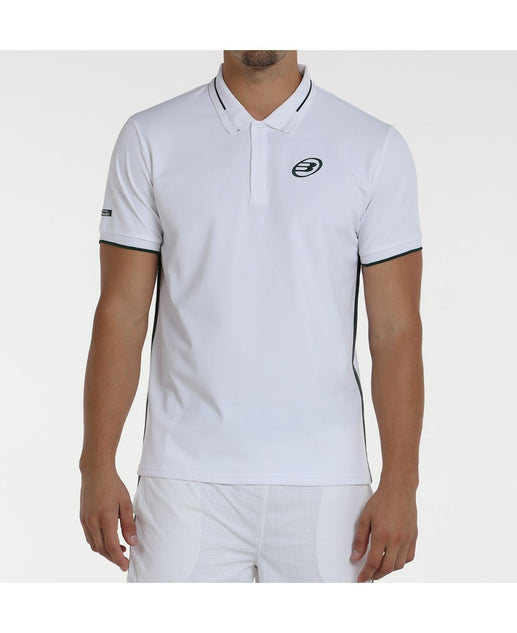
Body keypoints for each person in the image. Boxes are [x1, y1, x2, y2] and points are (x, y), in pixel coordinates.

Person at [79, 50, 424, 583]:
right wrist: (96, 465)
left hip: (327, 484)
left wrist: (402, 483)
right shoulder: (150, 137)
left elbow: (396, 330)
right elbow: (122, 313)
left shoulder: (373, 146)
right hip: (182, 481)